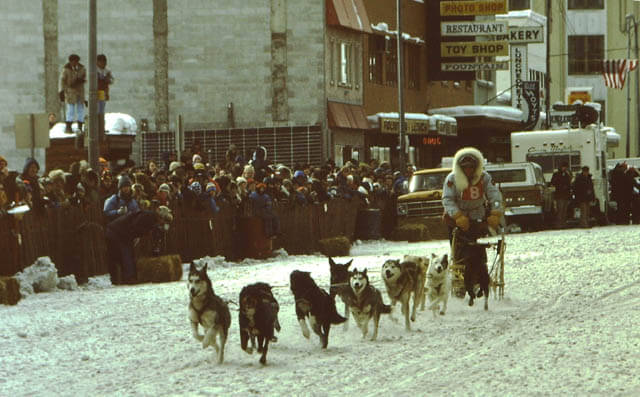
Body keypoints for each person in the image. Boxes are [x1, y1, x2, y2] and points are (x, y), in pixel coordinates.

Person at [442, 147, 503, 304]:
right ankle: (460, 281)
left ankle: (479, 277)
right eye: (465, 167)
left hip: (478, 218)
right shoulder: (451, 179)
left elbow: (495, 195)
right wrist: (457, 215)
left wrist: (495, 212)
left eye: (471, 167)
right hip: (458, 219)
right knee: (459, 251)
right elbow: (447, 199)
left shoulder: (485, 178)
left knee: (478, 249)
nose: (468, 170)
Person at [105, 205, 173, 285]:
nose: (162, 223)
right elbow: (134, 226)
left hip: (114, 231)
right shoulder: (148, 216)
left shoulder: (150, 218)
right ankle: (128, 278)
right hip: (117, 232)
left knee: (118, 256)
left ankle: (119, 279)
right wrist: (135, 237)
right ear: (161, 217)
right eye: (164, 221)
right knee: (127, 253)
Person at [60, 54, 87, 134]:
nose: (75, 63)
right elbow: (62, 81)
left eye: (76, 61)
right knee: (70, 109)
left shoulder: (82, 69)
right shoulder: (66, 70)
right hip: (70, 91)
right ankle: (69, 126)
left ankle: (80, 126)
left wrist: (81, 80)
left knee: (80, 109)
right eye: (73, 62)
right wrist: (62, 91)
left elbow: (85, 78)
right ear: (70, 62)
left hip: (80, 91)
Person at [550, 161, 572, 229]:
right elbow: (553, 182)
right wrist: (561, 186)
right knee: (560, 210)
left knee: (564, 211)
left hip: (566, 195)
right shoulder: (556, 174)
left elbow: (569, 185)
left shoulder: (567, 174)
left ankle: (563, 224)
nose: (564, 168)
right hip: (559, 195)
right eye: (563, 167)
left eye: (565, 167)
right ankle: (559, 224)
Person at [96, 54, 114, 137]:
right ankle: (97, 128)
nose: (103, 64)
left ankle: (101, 128)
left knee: (101, 111)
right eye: (101, 62)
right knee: (96, 111)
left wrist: (107, 79)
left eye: (104, 62)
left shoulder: (107, 71)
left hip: (102, 92)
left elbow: (112, 80)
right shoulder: (94, 70)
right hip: (95, 92)